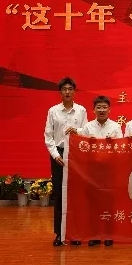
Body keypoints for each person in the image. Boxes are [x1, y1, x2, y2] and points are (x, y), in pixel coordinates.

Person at [44, 76, 88, 247]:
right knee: (59, 195)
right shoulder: (53, 111)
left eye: (70, 89)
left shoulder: (81, 111)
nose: (67, 92)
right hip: (59, 155)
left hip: (76, 155)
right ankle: (59, 234)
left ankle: (74, 233)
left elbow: (86, 131)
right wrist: (55, 155)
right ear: (60, 92)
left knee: (75, 194)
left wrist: (76, 131)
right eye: (64, 89)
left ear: (74, 92)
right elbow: (48, 136)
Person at [74, 95, 122, 246]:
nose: (102, 110)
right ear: (94, 110)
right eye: (99, 107)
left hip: (109, 170)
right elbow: (80, 148)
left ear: (109, 109)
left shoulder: (115, 127)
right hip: (92, 171)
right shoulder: (87, 128)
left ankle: (108, 234)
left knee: (109, 202)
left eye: (104, 107)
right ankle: (94, 235)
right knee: (93, 203)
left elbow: (121, 148)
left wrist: (112, 143)